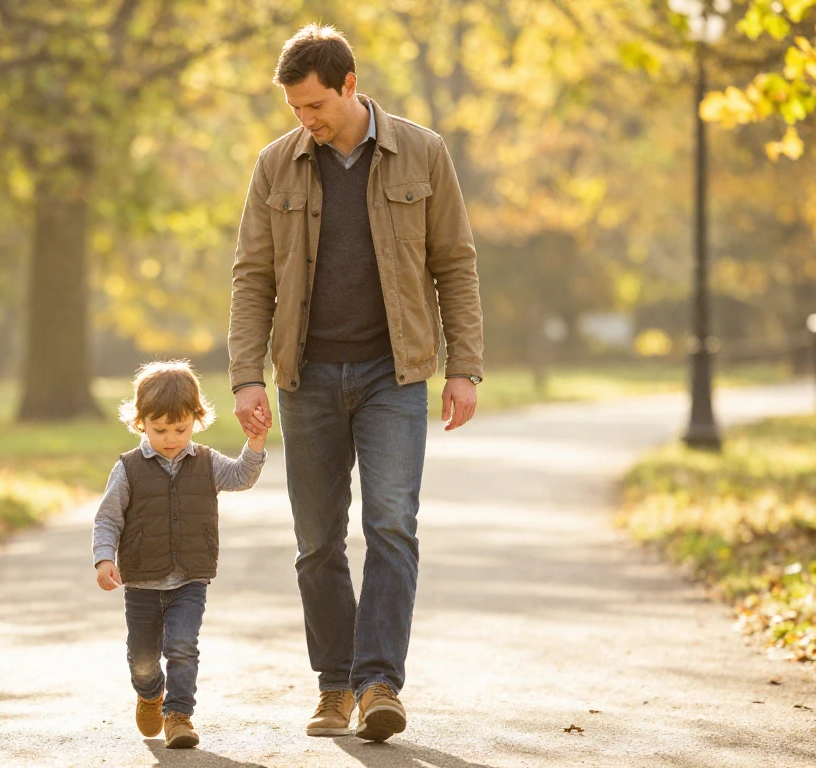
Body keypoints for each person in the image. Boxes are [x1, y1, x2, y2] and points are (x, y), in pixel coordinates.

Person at [227, 24, 484, 742]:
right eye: (293, 109)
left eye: (314, 105)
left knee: (391, 525)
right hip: (303, 378)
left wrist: (463, 366)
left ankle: (378, 684)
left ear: (349, 84)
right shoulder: (275, 164)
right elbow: (251, 277)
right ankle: (333, 684)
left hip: (390, 374)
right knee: (316, 541)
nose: (304, 120)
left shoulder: (422, 152)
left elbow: (454, 264)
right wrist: (247, 376)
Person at [92, 360, 269, 749]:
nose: (171, 438)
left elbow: (241, 476)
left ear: (196, 419)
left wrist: (255, 442)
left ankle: (179, 715)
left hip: (190, 577)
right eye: (160, 430)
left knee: (182, 645)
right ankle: (150, 692)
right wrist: (104, 558)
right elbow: (107, 518)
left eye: (180, 428)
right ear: (141, 423)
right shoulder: (128, 469)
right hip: (141, 582)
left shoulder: (206, 462)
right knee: (142, 660)